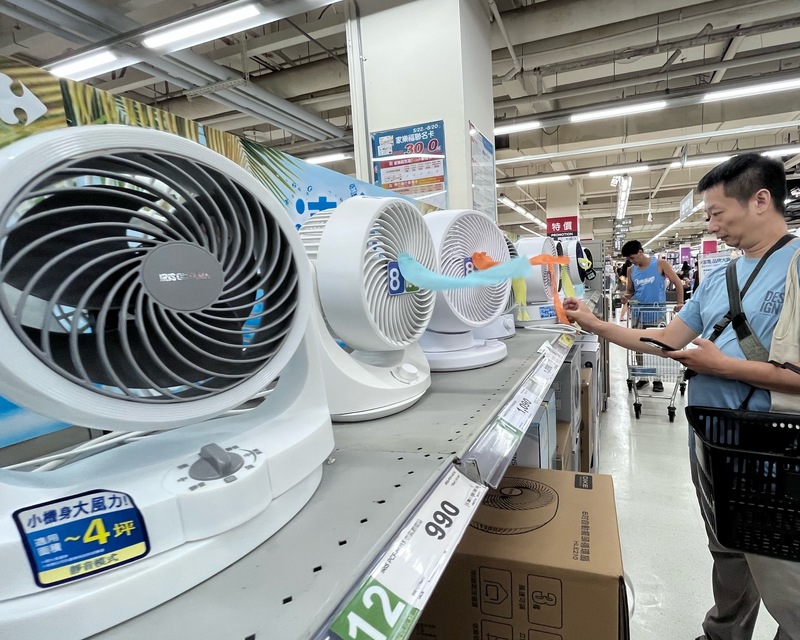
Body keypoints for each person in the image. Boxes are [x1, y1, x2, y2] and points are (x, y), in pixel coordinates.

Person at [564, 153, 800, 640]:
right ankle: (725, 633)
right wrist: (594, 323)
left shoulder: (797, 267)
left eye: (716, 212)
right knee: (727, 546)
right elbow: (666, 341)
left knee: (782, 562)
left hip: (772, 442)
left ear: (760, 200)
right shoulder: (719, 278)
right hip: (711, 435)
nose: (711, 223)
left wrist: (723, 366)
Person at [621, 239, 684, 392]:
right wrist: (626, 296)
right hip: (638, 313)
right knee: (638, 347)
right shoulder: (631, 270)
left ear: (640, 252)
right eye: (629, 259)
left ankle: (657, 379)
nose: (631, 261)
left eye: (632, 257)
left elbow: (678, 282)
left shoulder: (660, 264)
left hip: (657, 313)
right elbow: (630, 290)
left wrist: (680, 302)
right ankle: (643, 377)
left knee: (657, 347)